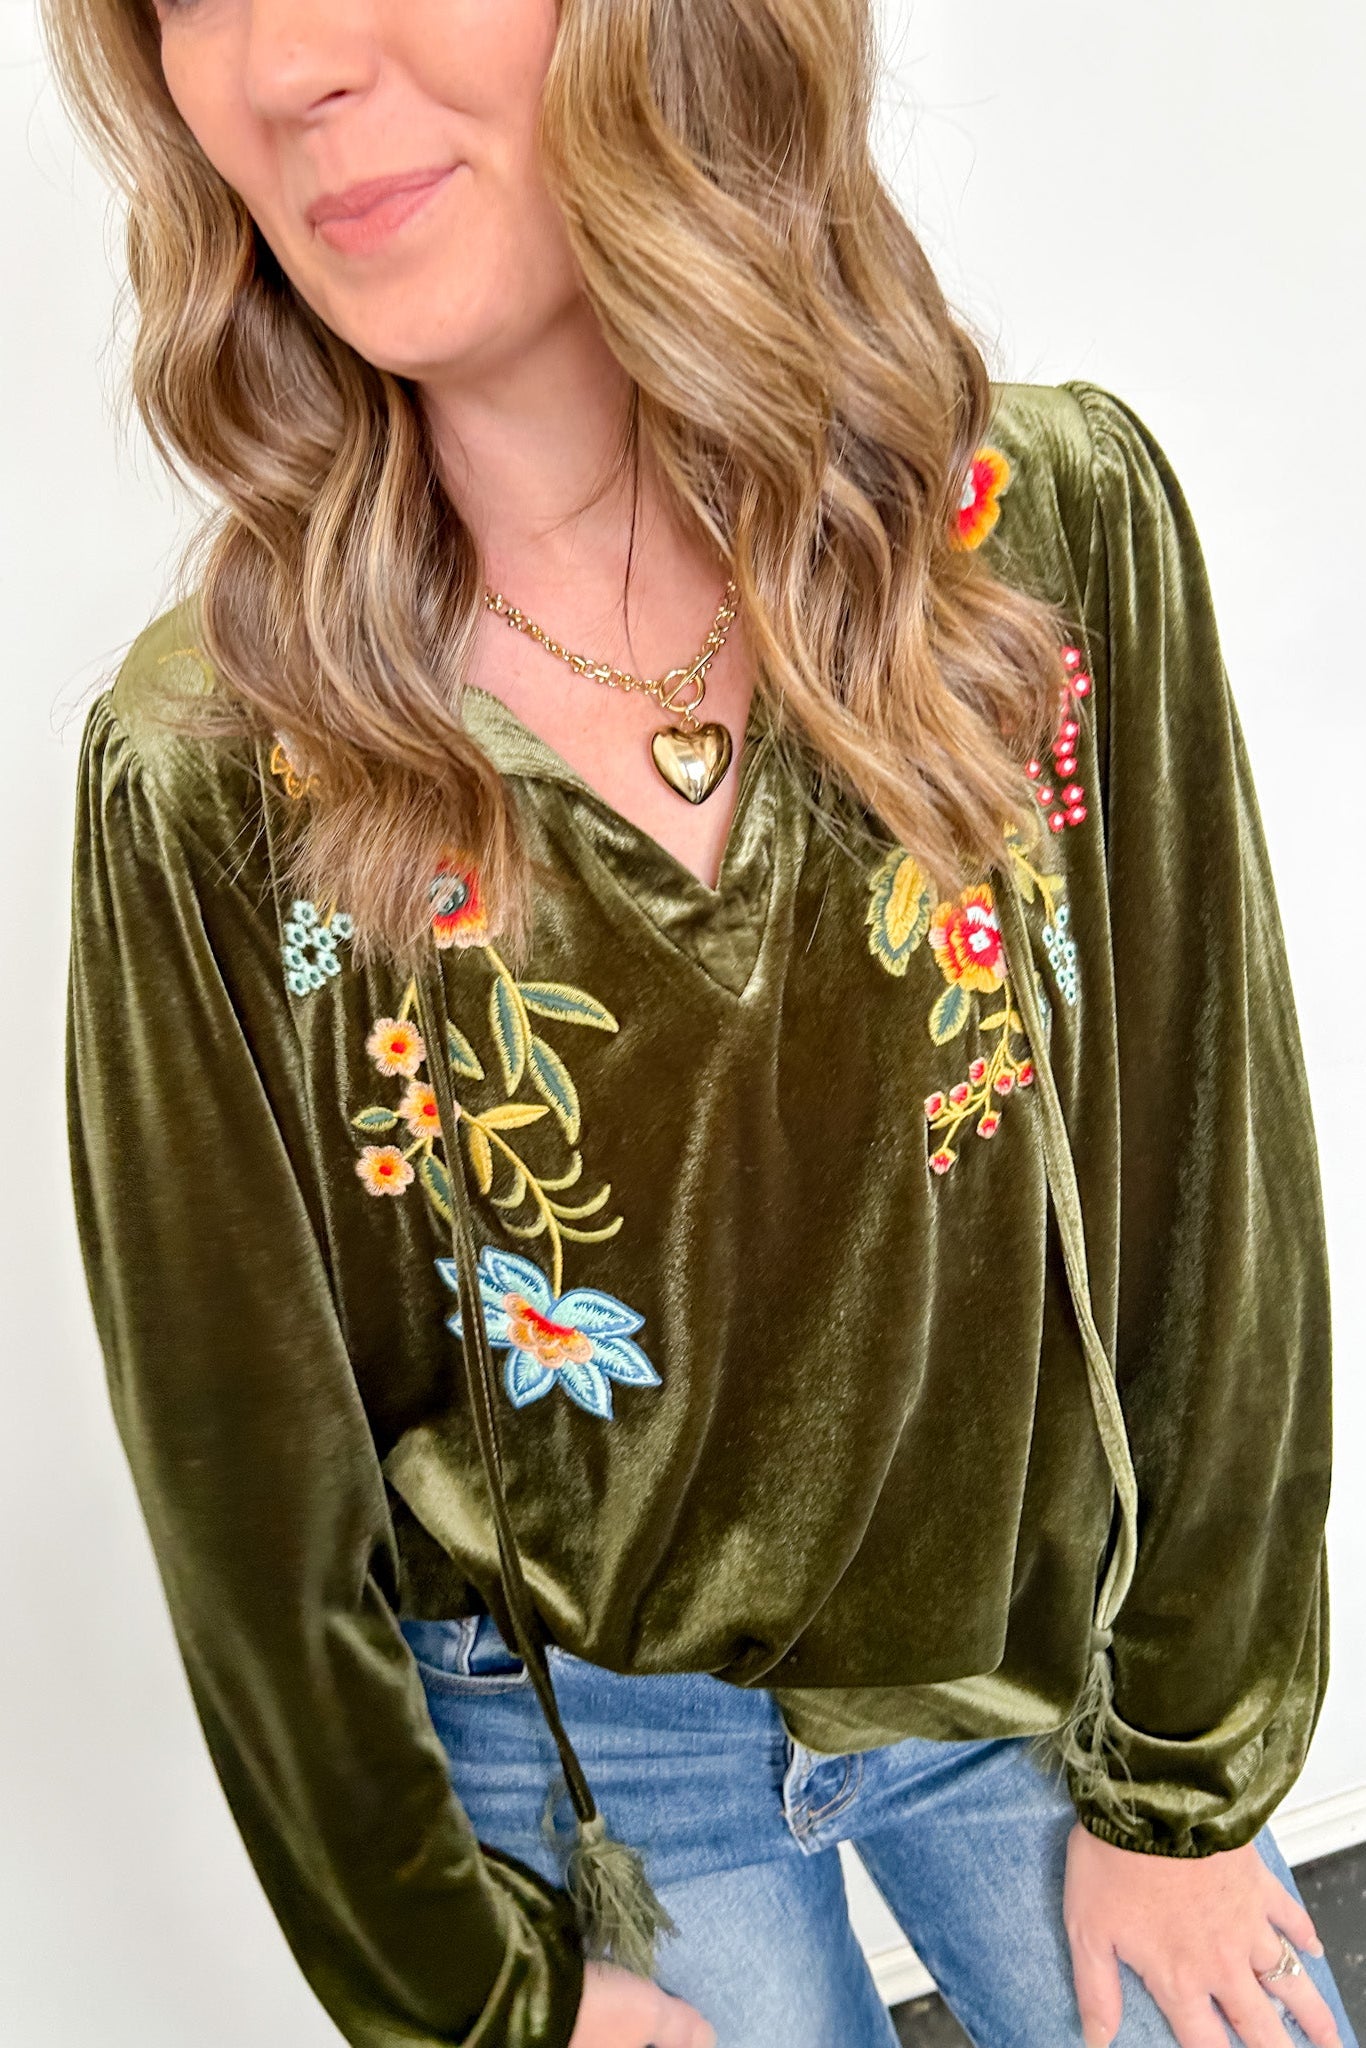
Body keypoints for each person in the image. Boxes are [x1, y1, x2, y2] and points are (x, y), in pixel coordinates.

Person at [48, 1, 1357, 2045]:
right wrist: (477, 1991)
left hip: (1024, 1660)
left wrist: (1190, 1777)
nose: (288, 61)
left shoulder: (1035, 533)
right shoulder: (215, 769)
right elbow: (251, 1491)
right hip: (573, 1761)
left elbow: (1206, 1187)